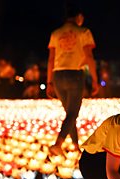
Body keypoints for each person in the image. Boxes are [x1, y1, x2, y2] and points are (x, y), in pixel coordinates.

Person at [46, 4, 98, 156]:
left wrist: (49, 82)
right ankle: (58, 144)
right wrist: (94, 79)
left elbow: (51, 59)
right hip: (75, 74)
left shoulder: (56, 34)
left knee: (70, 113)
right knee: (72, 113)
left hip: (58, 76)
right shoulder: (84, 32)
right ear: (79, 17)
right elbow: (89, 56)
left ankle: (76, 145)